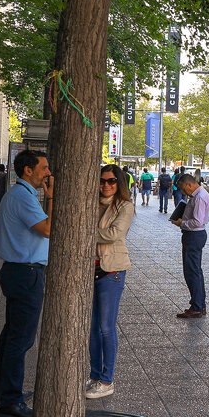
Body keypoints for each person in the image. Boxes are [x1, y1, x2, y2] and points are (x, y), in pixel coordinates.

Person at [0, 149, 53, 417]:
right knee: (21, 339)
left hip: (18, 272)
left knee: (11, 335)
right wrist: (53, 200)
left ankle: (5, 392)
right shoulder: (22, 196)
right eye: (43, 168)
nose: (47, 173)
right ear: (28, 170)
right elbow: (48, 229)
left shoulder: (20, 194)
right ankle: (11, 401)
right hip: (26, 273)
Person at [87, 164, 135, 400]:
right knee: (93, 328)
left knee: (106, 327)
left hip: (112, 271)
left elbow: (115, 234)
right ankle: (95, 376)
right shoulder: (90, 203)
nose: (106, 185)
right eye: (102, 180)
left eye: (111, 181)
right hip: (89, 271)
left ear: (119, 183)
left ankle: (107, 380)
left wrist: (83, 231)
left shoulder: (124, 206)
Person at [172, 173, 209, 318]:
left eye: (183, 189)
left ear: (189, 184)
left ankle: (197, 306)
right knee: (195, 271)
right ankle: (199, 304)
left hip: (194, 235)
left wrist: (181, 223)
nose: (182, 192)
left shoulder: (199, 197)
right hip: (193, 235)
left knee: (192, 272)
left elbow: (197, 222)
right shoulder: (198, 194)